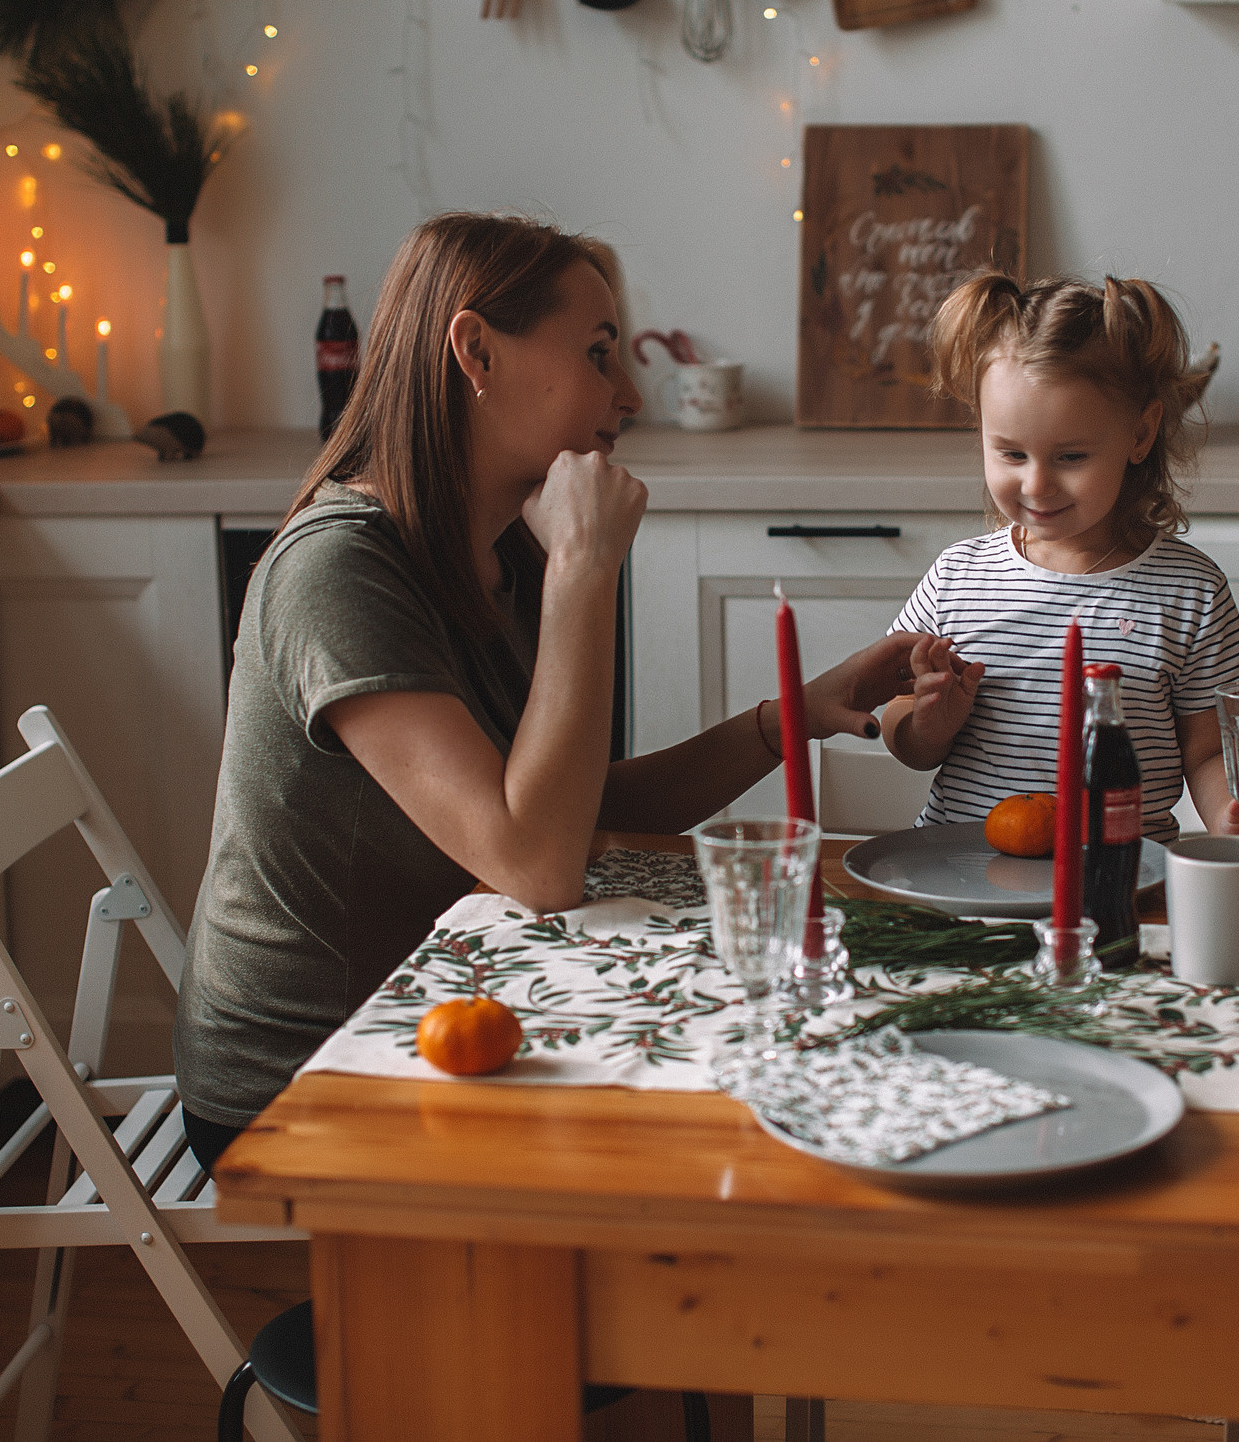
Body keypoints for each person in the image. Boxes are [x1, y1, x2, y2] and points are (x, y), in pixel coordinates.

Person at [174, 213, 910, 1167]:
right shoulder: (338, 573)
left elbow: (573, 810)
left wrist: (790, 718)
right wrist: (585, 568)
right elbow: (540, 864)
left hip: (453, 1010)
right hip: (307, 1079)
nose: (630, 392)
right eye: (599, 353)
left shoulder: (496, 554)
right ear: (476, 351)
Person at [881, 272, 1239, 855]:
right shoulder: (958, 577)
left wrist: (1237, 817)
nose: (1037, 484)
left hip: (1122, 879)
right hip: (964, 877)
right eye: (1011, 453)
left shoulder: (1190, 592)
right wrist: (928, 724)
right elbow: (901, 727)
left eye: (1071, 456)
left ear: (1140, 434)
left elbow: (1207, 750)